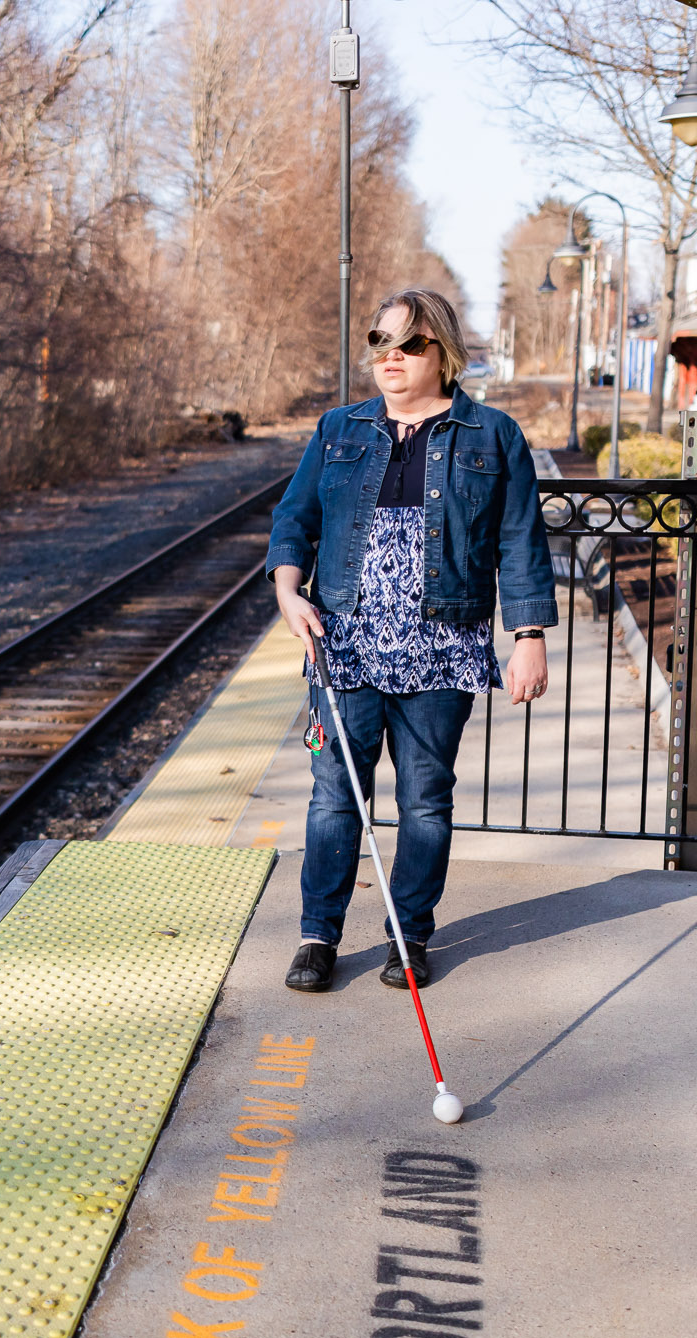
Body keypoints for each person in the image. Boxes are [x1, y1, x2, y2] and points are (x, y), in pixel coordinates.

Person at [265, 288, 555, 993]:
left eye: (409, 344)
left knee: (425, 799)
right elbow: (294, 518)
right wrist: (286, 590)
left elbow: (520, 539)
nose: (390, 357)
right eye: (380, 341)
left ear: (444, 353)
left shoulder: (491, 435)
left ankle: (408, 935)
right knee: (335, 795)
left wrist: (528, 635)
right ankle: (317, 935)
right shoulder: (340, 429)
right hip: (344, 646)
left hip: (442, 647)